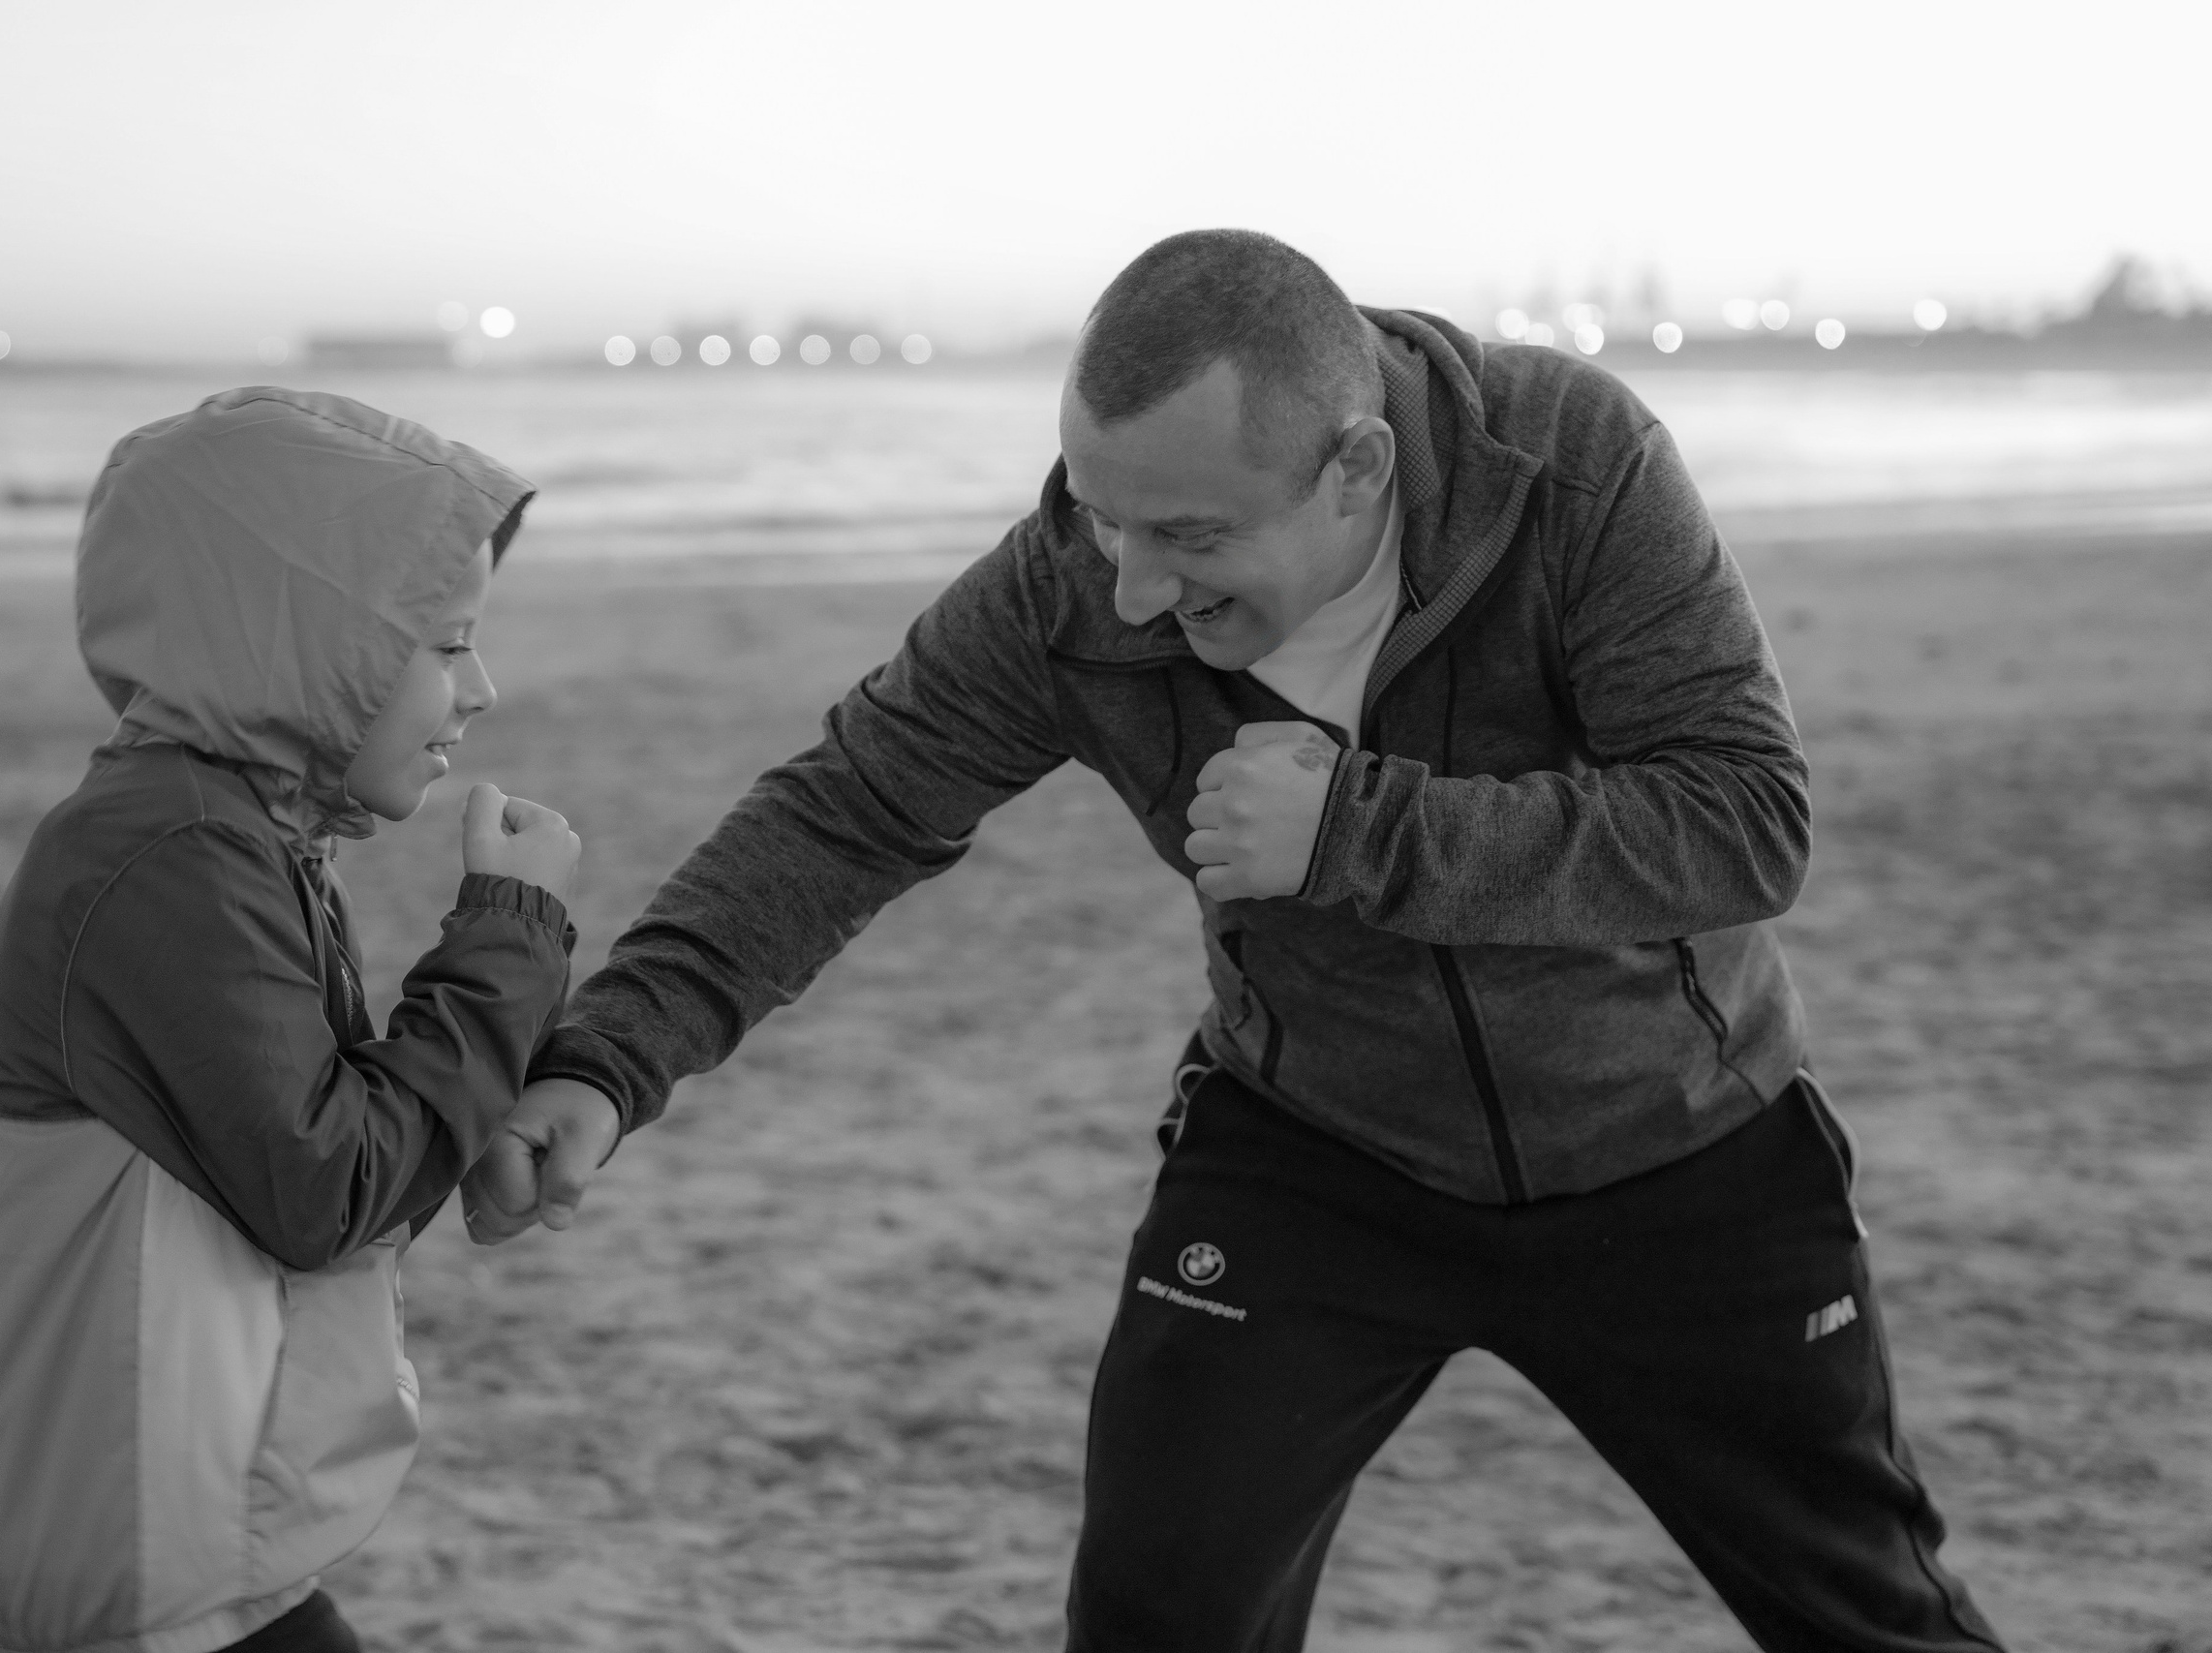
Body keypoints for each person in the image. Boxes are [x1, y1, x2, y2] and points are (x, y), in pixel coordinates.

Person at [467, 230, 2006, 1650]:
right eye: (1100, 515)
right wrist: (610, 1061)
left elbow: (1741, 819)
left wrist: (1356, 832)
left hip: (1678, 1148)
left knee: (1867, 1616)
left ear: (1356, 470)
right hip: (1316, 1154)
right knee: (1156, 1617)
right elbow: (848, 812)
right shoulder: (1077, 582)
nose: (1132, 589)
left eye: (1189, 534)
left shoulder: (1568, 469)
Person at [0, 387, 591, 1653]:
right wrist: (512, 931)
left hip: (184, 1548)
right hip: (144, 1566)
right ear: (307, 643)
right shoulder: (170, 855)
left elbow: (308, 1134)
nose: (482, 687)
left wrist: (476, 1104)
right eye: (444, 643)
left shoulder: (217, 831)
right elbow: (327, 1186)